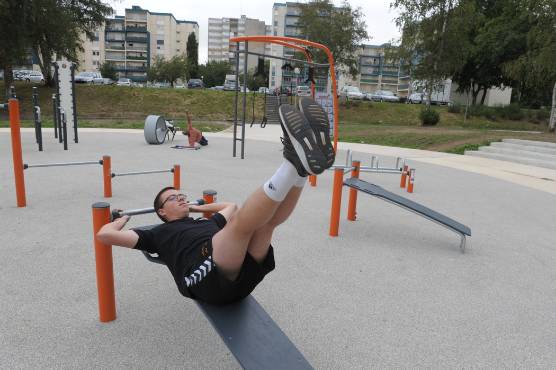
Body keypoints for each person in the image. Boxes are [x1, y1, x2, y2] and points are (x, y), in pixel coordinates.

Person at [97, 97, 335, 305]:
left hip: (243, 275)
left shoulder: (203, 223)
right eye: (173, 198)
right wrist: (123, 218)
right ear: (162, 211)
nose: (180, 199)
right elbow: (104, 235)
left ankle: (300, 172)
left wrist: (196, 207)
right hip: (206, 281)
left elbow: (229, 206)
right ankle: (292, 163)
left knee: (266, 224)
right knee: (241, 226)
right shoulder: (156, 234)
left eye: (182, 195)